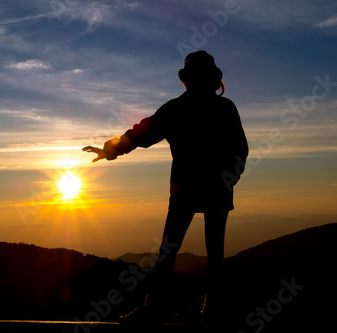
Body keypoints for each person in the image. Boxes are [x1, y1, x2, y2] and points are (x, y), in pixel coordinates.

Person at [83, 50, 249, 324]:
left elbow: (141, 133)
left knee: (169, 251)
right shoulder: (221, 108)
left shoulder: (177, 109)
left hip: (185, 190)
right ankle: (209, 310)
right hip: (211, 190)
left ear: (186, 78)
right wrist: (229, 179)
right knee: (211, 252)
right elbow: (239, 150)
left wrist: (109, 151)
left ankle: (157, 307)